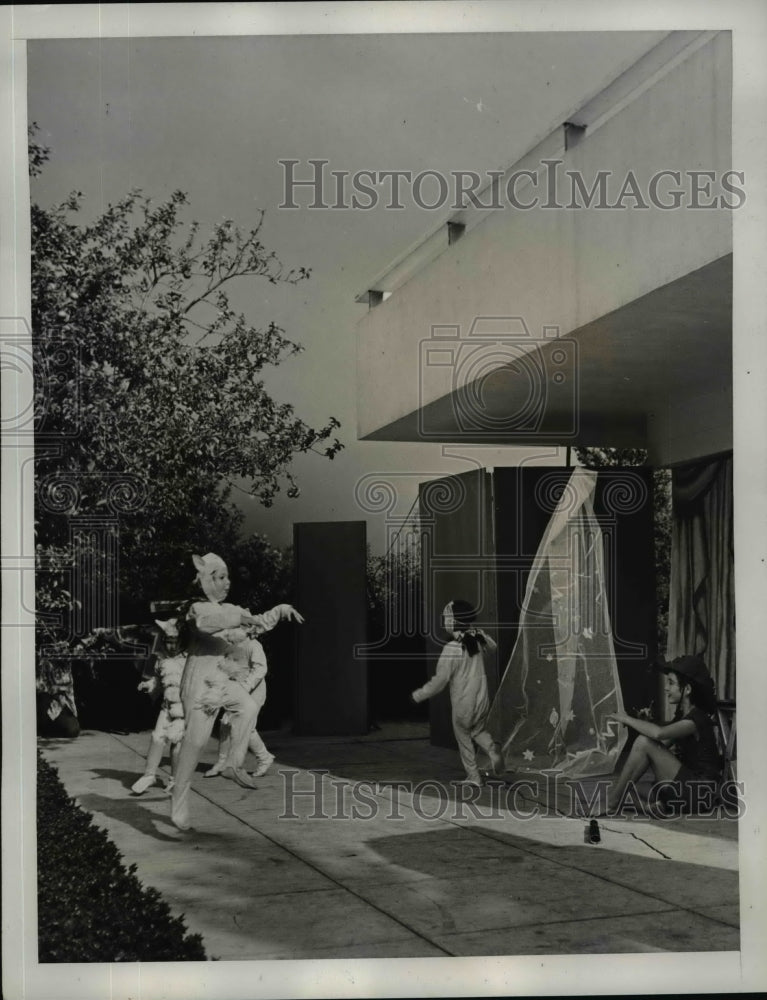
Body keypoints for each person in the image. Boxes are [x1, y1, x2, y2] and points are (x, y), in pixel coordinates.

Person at [170, 552, 302, 831]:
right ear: (205, 580)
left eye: (227, 577)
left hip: (222, 679)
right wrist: (240, 617)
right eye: (219, 577)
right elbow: (209, 623)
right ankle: (178, 803)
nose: (226, 582)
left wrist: (280, 609)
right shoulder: (198, 608)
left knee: (248, 707)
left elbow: (257, 623)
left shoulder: (233, 609)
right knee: (195, 745)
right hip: (198, 682)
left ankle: (233, 763)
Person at [601, 653, 721, 815]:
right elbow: (658, 749)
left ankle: (612, 804)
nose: (666, 688)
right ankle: (649, 808)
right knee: (625, 785)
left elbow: (659, 735)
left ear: (687, 689)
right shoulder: (683, 716)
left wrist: (627, 719)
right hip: (687, 787)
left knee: (641, 746)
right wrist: (646, 722)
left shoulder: (696, 718)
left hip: (699, 792)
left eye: (671, 683)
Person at [411, 599, 503, 786]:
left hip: (463, 702)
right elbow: (493, 648)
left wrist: (419, 694)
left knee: (463, 738)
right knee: (477, 730)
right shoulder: (477, 642)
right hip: (482, 699)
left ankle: (474, 776)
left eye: (447, 618)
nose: (445, 621)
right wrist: (481, 634)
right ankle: (491, 748)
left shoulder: (451, 648)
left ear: (453, 621)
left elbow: (440, 681)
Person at [202, 634, 276, 780]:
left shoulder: (253, 645)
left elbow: (261, 668)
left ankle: (264, 758)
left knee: (246, 727)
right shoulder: (229, 644)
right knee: (225, 724)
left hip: (253, 692)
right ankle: (222, 763)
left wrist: (246, 685)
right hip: (235, 690)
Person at [131, 618, 186, 795]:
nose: (170, 646)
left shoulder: (189, 659)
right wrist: (149, 685)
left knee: (175, 741)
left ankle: (175, 780)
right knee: (157, 737)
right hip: (167, 705)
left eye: (174, 642)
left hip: (184, 708)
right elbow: (159, 681)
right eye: (167, 641)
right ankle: (149, 774)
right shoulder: (161, 659)